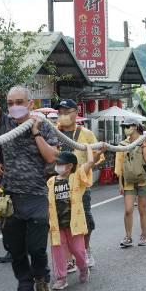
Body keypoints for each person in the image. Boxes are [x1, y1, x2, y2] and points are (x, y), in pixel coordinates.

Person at [0, 48, 58, 291]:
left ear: (30, 103)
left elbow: (51, 159)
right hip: (10, 197)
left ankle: (42, 284)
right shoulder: (3, 124)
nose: (14, 106)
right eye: (10, 102)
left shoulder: (42, 124)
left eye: (19, 101)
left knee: (36, 247)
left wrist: (35, 133)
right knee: (16, 249)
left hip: (35, 196)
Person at [55, 98, 99, 270]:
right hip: (59, 185)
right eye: (60, 112)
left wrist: (93, 159)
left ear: (76, 112)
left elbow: (96, 158)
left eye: (67, 112)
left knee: (85, 219)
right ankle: (69, 258)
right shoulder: (53, 132)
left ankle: (86, 249)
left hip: (81, 185)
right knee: (63, 223)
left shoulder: (86, 134)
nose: (63, 115)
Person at [47, 148, 94, 290]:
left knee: (78, 250)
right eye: (58, 163)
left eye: (61, 164)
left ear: (70, 166)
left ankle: (83, 267)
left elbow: (90, 161)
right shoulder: (51, 181)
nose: (58, 166)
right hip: (57, 225)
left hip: (74, 224)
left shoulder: (77, 177)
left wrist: (88, 148)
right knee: (58, 251)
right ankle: (61, 278)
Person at [115, 119, 146, 247]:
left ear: (135, 127)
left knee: (142, 209)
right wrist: (120, 183)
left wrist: (143, 145)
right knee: (128, 210)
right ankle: (128, 237)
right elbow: (119, 165)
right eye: (124, 126)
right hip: (128, 181)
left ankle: (143, 235)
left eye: (128, 126)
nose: (126, 128)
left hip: (143, 180)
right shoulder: (122, 144)